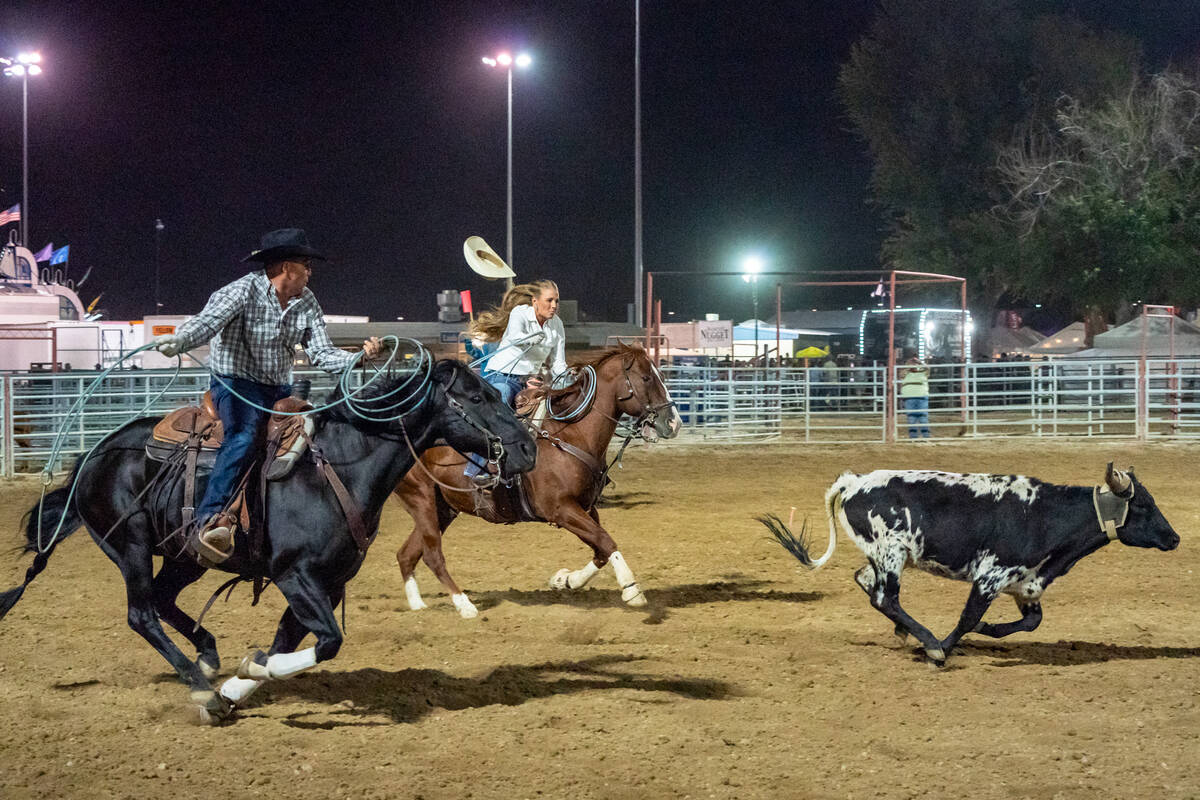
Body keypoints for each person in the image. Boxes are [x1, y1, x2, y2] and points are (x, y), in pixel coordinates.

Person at [152, 228, 382, 563]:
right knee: (243, 437)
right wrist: (180, 340)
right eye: (305, 264)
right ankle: (209, 517)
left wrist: (357, 359)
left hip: (277, 388)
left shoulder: (307, 302)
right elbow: (206, 323)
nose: (310, 270)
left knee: (306, 436)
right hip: (234, 383)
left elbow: (322, 353)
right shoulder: (241, 291)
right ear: (287, 267)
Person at [462, 279, 566, 481]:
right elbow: (517, 336)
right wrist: (531, 337)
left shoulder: (557, 324)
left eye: (557, 301)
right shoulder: (520, 313)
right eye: (549, 300)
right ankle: (478, 467)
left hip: (530, 382)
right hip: (501, 376)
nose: (554, 306)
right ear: (535, 301)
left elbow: (558, 363)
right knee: (501, 402)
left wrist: (567, 381)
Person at [900, 355, 931, 439]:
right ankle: (913, 436)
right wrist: (908, 364)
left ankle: (926, 436)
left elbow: (928, 368)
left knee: (923, 417)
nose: (914, 365)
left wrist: (920, 362)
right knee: (911, 418)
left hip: (921, 396)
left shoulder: (923, 372)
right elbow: (901, 373)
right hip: (910, 397)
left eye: (915, 363)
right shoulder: (905, 373)